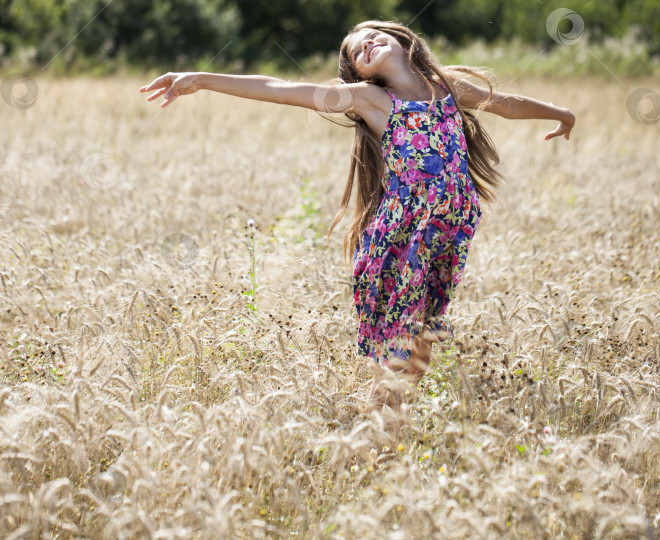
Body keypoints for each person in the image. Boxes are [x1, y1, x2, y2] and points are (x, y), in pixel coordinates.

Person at [140, 20, 575, 409]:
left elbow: (507, 104)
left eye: (372, 36)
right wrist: (200, 79)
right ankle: (379, 437)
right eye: (355, 51)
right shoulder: (369, 99)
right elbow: (280, 88)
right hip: (401, 240)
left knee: (417, 354)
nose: (365, 45)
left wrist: (561, 113)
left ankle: (376, 430)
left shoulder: (447, 86)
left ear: (401, 40)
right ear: (360, 72)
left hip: (444, 237)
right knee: (403, 352)